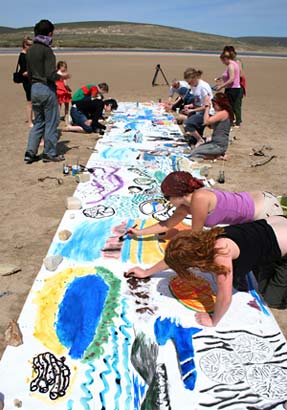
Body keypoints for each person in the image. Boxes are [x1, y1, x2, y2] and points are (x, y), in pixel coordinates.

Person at [126, 216, 287, 327]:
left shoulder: (220, 254)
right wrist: (147, 272)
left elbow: (225, 296)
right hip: (276, 224)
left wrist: (213, 320)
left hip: (280, 241)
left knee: (271, 297)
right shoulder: (202, 239)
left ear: (194, 261)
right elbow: (176, 256)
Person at [24, 19, 70, 163]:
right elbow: (50, 74)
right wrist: (62, 76)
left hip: (34, 88)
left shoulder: (30, 50)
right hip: (46, 88)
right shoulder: (47, 50)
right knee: (51, 121)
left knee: (39, 122)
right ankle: (49, 153)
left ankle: (30, 152)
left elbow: (29, 73)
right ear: (50, 33)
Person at [190, 93, 233, 158]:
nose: (213, 106)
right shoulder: (222, 113)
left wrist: (207, 107)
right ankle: (217, 154)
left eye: (214, 105)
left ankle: (217, 156)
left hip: (219, 145)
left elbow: (206, 122)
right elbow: (210, 126)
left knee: (194, 154)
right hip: (215, 142)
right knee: (196, 149)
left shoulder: (223, 113)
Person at [182, 68, 214, 147]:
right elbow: (198, 102)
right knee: (193, 139)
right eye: (188, 83)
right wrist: (190, 106)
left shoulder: (203, 87)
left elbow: (206, 105)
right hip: (200, 111)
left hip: (208, 112)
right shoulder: (194, 86)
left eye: (190, 82)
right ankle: (203, 139)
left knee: (187, 124)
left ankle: (201, 140)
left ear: (194, 79)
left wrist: (192, 110)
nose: (189, 85)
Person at [215, 52, 241, 127]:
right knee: (229, 105)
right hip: (233, 88)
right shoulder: (233, 63)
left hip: (232, 89)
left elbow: (232, 79)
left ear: (225, 59)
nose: (223, 63)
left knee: (228, 106)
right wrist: (221, 78)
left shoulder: (231, 65)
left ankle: (230, 122)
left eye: (222, 61)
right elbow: (228, 75)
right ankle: (230, 121)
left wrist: (221, 86)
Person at [223, 45, 246, 127]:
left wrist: (232, 78)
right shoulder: (230, 61)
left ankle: (238, 121)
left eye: (225, 52)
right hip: (231, 85)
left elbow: (240, 74)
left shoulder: (237, 60)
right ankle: (231, 119)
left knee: (236, 104)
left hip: (238, 86)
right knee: (230, 103)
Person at [17, 36, 33, 127]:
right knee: (30, 101)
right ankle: (30, 121)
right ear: (24, 45)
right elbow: (24, 72)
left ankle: (31, 120)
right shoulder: (22, 56)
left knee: (33, 101)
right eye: (28, 45)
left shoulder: (28, 54)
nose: (30, 46)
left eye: (31, 45)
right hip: (27, 81)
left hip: (31, 80)